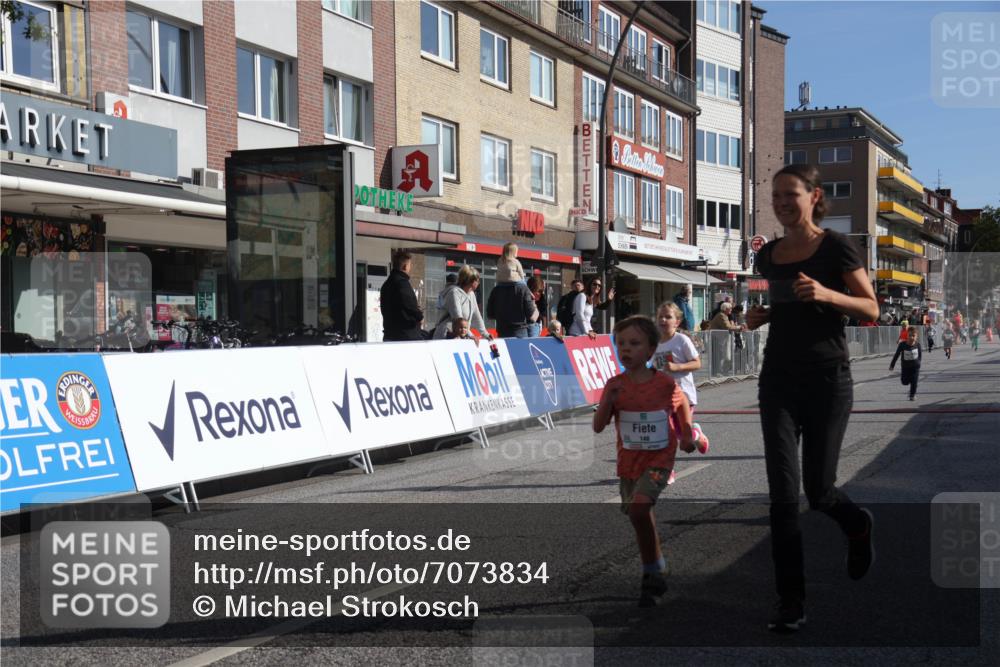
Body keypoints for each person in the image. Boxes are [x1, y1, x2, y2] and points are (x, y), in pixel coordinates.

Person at [747, 163, 879, 633]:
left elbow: (870, 307)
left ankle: (856, 525)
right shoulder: (770, 255)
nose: (781, 203)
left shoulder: (837, 246)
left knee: (819, 491)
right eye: (776, 197)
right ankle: (791, 600)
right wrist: (761, 316)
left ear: (813, 196)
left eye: (790, 195)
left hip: (827, 378)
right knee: (782, 497)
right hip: (778, 380)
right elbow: (781, 305)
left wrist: (826, 292)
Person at [592, 315, 697, 607]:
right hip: (629, 463)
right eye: (621, 344)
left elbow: (683, 404)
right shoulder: (614, 385)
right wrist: (608, 401)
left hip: (660, 459)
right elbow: (598, 426)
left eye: (634, 344)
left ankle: (651, 575)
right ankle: (657, 564)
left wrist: (687, 435)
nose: (626, 349)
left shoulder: (663, 384)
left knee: (640, 509)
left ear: (651, 350)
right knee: (639, 515)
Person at [652, 302, 710, 487]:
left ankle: (697, 435)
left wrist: (678, 367)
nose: (663, 320)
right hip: (663, 397)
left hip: (684, 396)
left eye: (668, 317)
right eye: (660, 316)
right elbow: (655, 368)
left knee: (683, 438)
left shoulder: (681, 340)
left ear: (677, 321)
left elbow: (697, 363)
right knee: (665, 435)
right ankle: (667, 470)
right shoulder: (655, 344)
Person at [432, 265, 493, 341]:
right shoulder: (454, 293)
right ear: (471, 281)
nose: (479, 283)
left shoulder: (471, 294)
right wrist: (471, 335)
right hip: (447, 336)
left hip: (462, 336)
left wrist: (485, 334)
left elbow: (477, 316)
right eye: (477, 280)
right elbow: (458, 319)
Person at [380, 250, 425, 342]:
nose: (410, 268)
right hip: (405, 336)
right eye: (409, 265)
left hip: (389, 334)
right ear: (405, 266)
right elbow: (410, 305)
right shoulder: (402, 283)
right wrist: (419, 316)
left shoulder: (386, 284)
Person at [890, 326, 922, 401]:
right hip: (905, 367)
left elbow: (920, 355)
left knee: (914, 382)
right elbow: (897, 354)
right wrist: (892, 365)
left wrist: (918, 363)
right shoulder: (902, 345)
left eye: (913, 336)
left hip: (915, 367)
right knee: (904, 382)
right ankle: (909, 381)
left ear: (916, 337)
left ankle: (912, 395)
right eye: (910, 335)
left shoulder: (918, 345)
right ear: (907, 335)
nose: (911, 337)